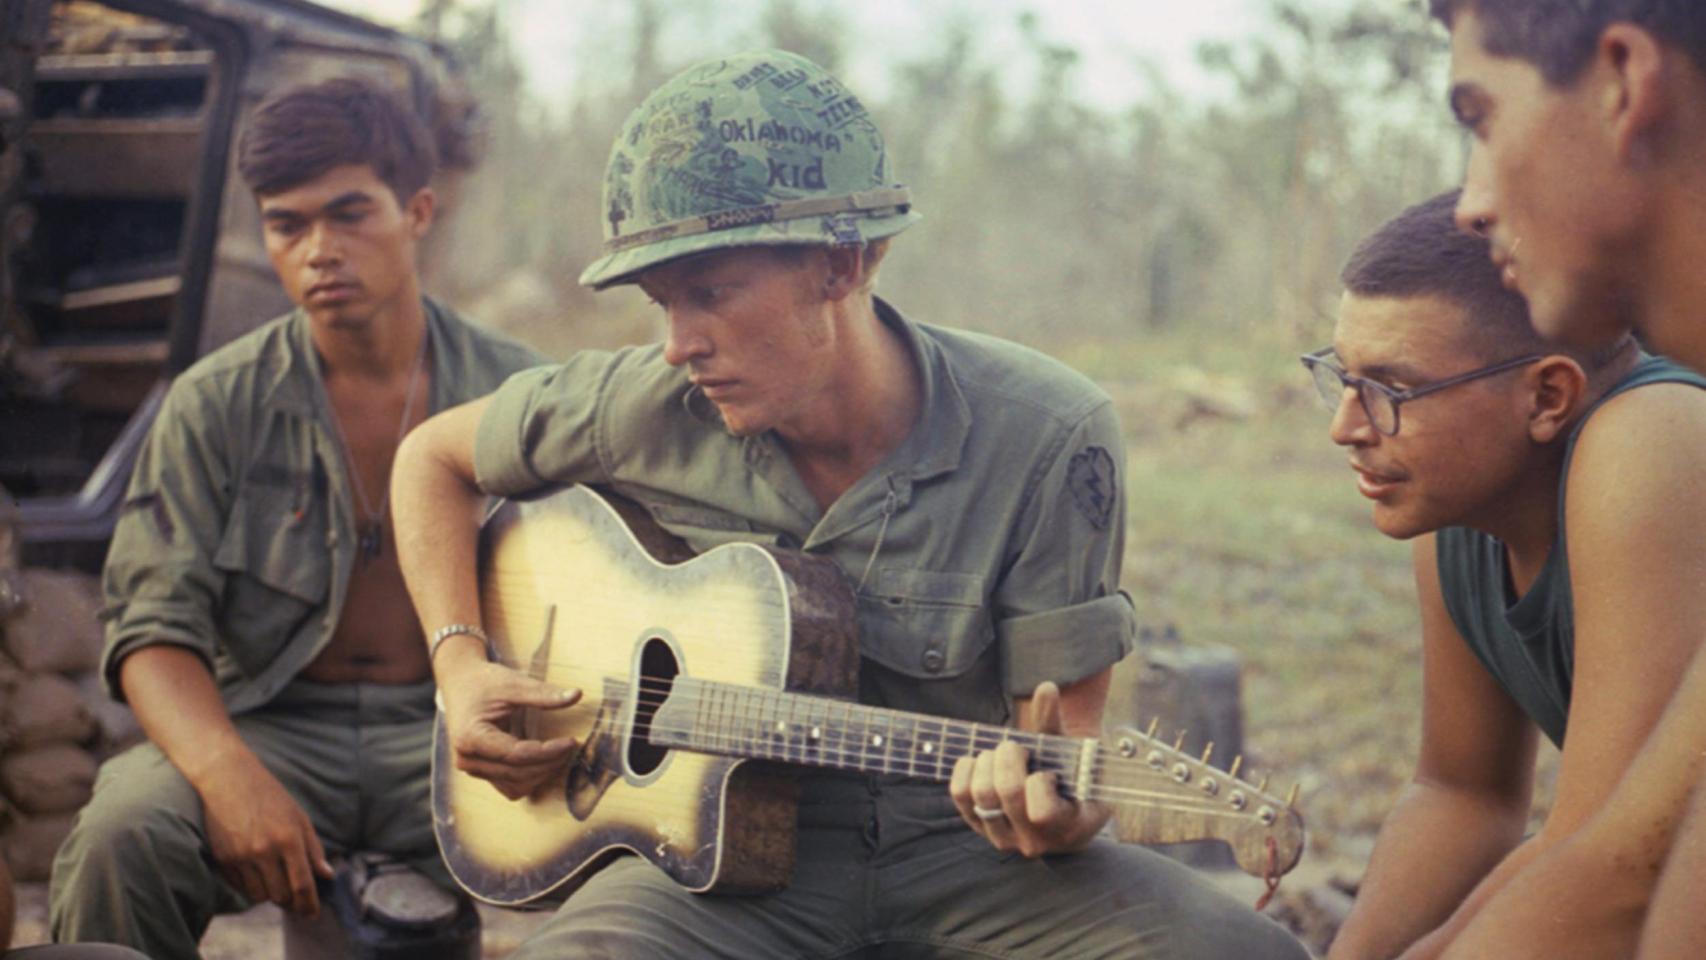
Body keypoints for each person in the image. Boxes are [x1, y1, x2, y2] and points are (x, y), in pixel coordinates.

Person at [390, 48, 1306, 960]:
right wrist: (460, 667)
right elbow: (430, 459)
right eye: (661, 302)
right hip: (701, 866)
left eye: (709, 294)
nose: (677, 345)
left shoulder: (1049, 436)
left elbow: (1064, 743)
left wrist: (1056, 812)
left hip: (970, 855)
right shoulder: (640, 404)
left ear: (845, 262)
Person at [45, 78, 544, 959]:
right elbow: (152, 631)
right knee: (121, 838)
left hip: (455, 735)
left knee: (646, 859)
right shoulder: (215, 403)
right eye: (287, 225)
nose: (319, 250)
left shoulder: (520, 393)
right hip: (273, 725)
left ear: (417, 212)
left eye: (349, 214)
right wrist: (227, 776)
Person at [1303, 191, 1706, 960]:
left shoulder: (1653, 438)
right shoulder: (1453, 502)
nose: (1345, 427)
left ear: (1548, 395)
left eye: (1390, 391)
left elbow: (1611, 857)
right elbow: (1463, 796)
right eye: (1343, 378)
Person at [1416, 3, 1706, 957]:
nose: (1471, 204)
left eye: (1482, 117)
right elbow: (1622, 876)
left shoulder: (1652, 431)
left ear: (1623, 82)